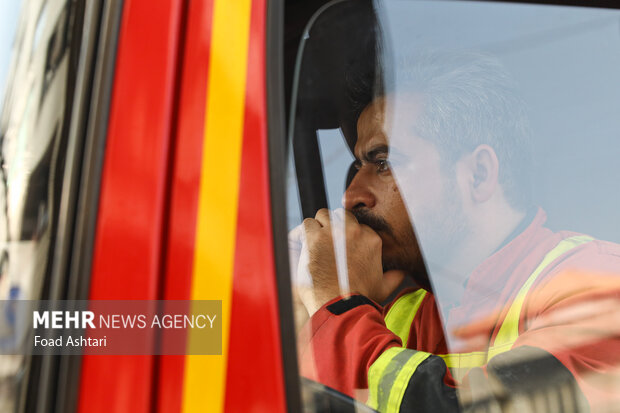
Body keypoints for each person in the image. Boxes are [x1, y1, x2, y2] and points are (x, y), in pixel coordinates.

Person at [292, 53, 620, 412]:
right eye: (359, 166)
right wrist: (290, 306)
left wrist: (341, 307)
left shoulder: (598, 289)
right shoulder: (405, 313)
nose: (351, 195)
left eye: (384, 163)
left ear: (478, 174)